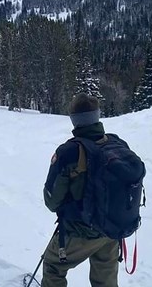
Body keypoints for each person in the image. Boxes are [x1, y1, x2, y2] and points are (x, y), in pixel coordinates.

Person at [41, 93, 120, 287]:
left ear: (74, 120)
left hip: (81, 230)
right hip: (112, 228)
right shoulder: (116, 143)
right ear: (97, 116)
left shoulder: (68, 152)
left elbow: (52, 201)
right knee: (105, 280)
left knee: (53, 265)